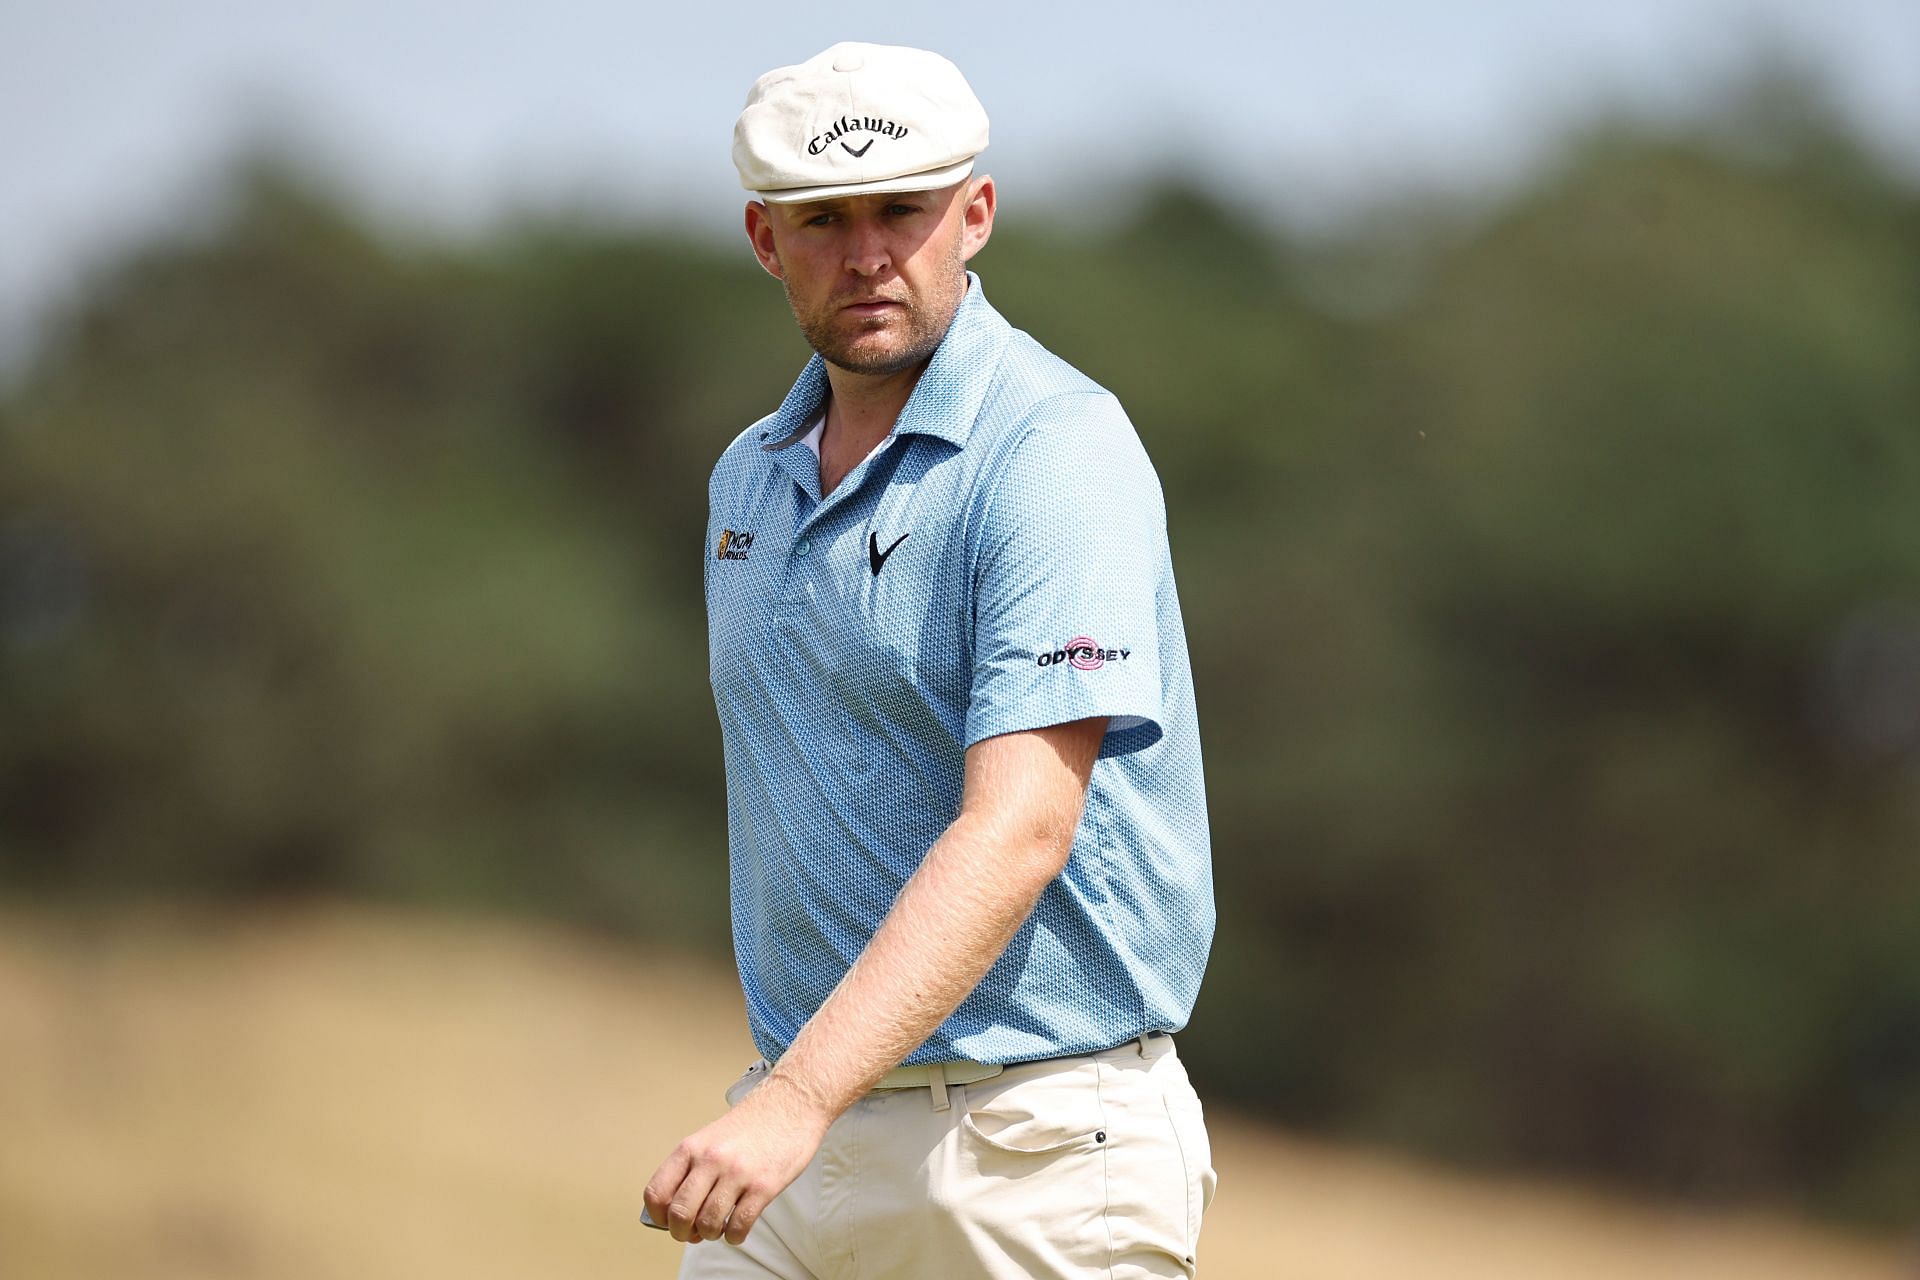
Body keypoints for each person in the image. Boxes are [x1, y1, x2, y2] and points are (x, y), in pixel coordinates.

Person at [645, 41, 1217, 1279]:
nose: (865, 255)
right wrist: (797, 1099)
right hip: (804, 1141)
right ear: (762, 237)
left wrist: (794, 1095)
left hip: (1043, 1151)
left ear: (975, 214)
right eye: (822, 218)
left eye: (901, 209)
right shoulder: (747, 476)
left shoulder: (1058, 451)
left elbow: (1019, 828)